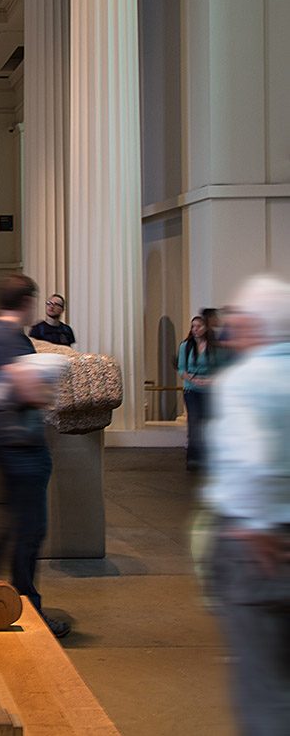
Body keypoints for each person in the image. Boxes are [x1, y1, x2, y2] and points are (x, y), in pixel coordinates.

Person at [203, 275, 290, 734]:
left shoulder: (244, 381)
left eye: (237, 317)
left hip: (260, 547)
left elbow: (252, 459)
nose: (229, 326)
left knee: (262, 687)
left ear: (256, 326)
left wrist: (259, 524)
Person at [0, 274, 70, 639]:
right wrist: (45, 388)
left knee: (12, 526)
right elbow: (26, 389)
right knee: (29, 530)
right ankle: (28, 607)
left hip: (6, 443)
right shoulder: (8, 338)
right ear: (26, 301)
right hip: (20, 447)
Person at [177, 313, 220, 472]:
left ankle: (208, 457)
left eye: (198, 326)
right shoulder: (185, 346)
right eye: (193, 327)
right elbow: (182, 369)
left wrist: (210, 380)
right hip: (192, 389)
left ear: (205, 328)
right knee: (194, 422)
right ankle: (193, 458)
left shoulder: (213, 347)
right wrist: (193, 380)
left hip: (209, 389)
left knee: (208, 423)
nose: (195, 329)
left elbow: (219, 368)